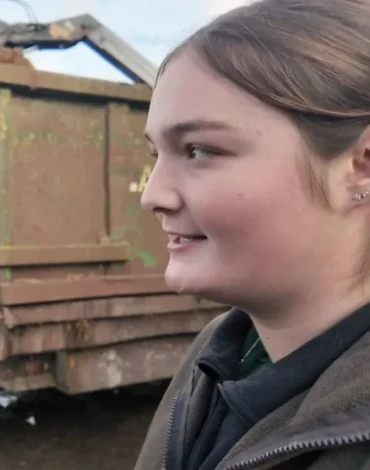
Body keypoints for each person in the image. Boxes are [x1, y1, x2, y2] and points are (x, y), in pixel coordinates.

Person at [134, 1, 370, 469]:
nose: (152, 196)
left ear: (362, 166)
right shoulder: (215, 352)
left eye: (199, 150)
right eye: (156, 154)